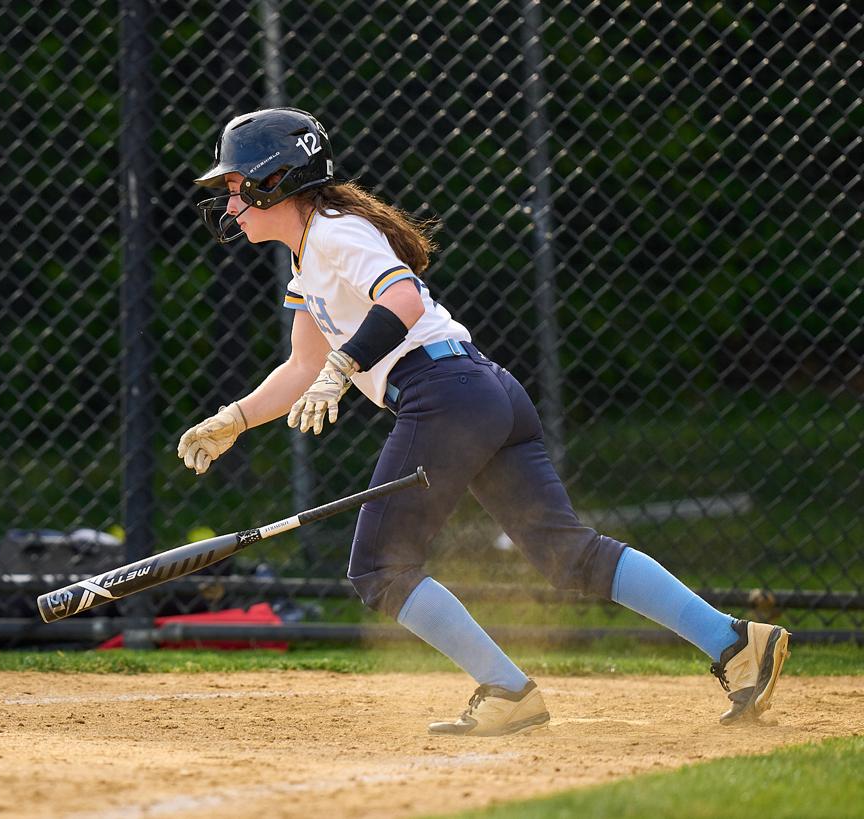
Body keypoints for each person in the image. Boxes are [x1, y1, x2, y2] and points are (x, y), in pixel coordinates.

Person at [177, 107, 791, 736]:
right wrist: (234, 420)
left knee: (380, 568)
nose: (230, 202)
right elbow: (303, 365)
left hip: (443, 392)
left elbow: (402, 299)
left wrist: (346, 365)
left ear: (276, 181)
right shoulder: (308, 257)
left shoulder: (335, 231)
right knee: (565, 552)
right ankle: (733, 642)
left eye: (237, 185)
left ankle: (507, 690)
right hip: (480, 388)